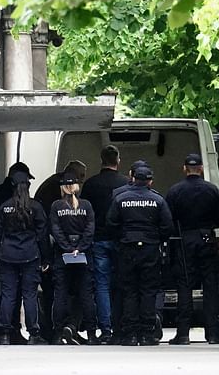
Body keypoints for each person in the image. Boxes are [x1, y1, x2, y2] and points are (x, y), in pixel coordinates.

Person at [106, 166, 173, 346]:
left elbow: (111, 223)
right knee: (148, 291)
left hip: (127, 249)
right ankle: (147, 333)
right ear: (150, 181)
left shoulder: (120, 198)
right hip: (150, 249)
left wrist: (122, 238)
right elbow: (168, 226)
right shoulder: (158, 199)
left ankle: (130, 334)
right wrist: (155, 238)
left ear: (133, 178)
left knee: (129, 291)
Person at [165, 153, 219, 345]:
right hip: (207, 239)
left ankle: (183, 333)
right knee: (210, 285)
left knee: (184, 286)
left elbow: (167, 219)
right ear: (200, 168)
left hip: (184, 240)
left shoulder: (175, 191)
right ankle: (214, 334)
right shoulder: (212, 190)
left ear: (185, 169)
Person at [0, 171, 50, 345]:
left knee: (8, 294)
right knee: (29, 295)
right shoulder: (35, 207)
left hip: (7, 256)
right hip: (30, 256)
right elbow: (42, 236)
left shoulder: (5, 207)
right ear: (28, 186)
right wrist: (46, 258)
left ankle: (4, 333)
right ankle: (33, 333)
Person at [80, 145, 129, 344]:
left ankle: (106, 329)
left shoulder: (91, 184)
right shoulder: (126, 183)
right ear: (118, 160)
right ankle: (121, 326)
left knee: (101, 285)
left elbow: (84, 213)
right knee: (123, 284)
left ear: (101, 160)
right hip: (120, 240)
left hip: (98, 239)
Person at [33, 159, 86, 341]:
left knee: (56, 291)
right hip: (66, 252)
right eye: (81, 177)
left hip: (56, 249)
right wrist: (77, 248)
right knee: (73, 290)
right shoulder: (77, 203)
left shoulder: (49, 189)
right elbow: (86, 227)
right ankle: (66, 327)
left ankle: (57, 330)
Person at [50, 171, 99, 345]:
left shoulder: (56, 206)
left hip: (62, 255)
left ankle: (58, 333)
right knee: (86, 294)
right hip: (84, 255)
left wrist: (68, 248)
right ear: (77, 186)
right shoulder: (86, 206)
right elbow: (90, 229)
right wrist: (79, 248)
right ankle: (92, 333)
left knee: (60, 293)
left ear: (62, 188)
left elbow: (55, 230)